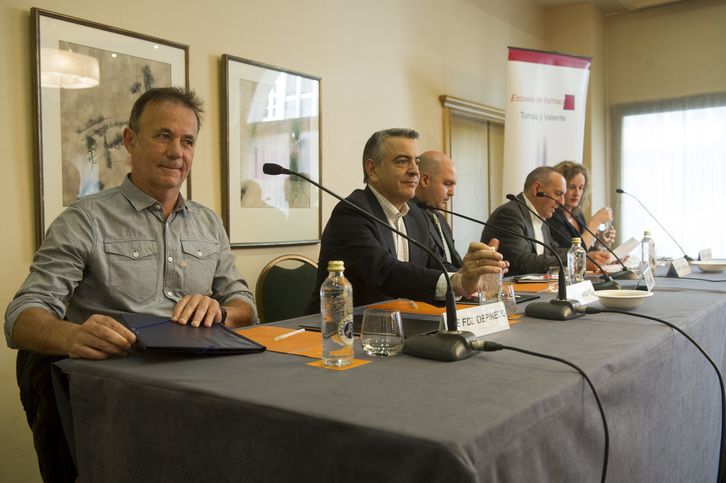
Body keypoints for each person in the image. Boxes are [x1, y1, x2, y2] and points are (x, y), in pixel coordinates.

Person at [5, 87, 257, 482]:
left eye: (187, 141)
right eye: (163, 136)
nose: (177, 151)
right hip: (115, 387)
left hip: (195, 384)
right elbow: (21, 317)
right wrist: (72, 337)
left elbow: (244, 304)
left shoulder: (210, 223)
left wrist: (222, 311)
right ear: (129, 140)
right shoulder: (85, 219)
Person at [305, 128, 506, 312]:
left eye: (416, 162)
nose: (415, 171)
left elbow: (438, 266)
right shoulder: (352, 213)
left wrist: (475, 271)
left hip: (400, 322)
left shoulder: (416, 215)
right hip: (340, 329)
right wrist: (458, 282)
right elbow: (385, 272)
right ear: (373, 170)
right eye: (402, 162)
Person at [480, 166, 570, 276]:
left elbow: (553, 251)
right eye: (558, 193)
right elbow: (523, 262)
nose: (562, 202)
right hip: (509, 291)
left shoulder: (542, 221)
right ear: (537, 189)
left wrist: (581, 255)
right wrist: (571, 258)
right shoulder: (509, 214)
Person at [546, 161, 616, 270]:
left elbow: (586, 253)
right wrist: (595, 222)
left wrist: (602, 252)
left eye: (581, 188)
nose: (577, 193)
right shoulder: (552, 217)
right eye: (572, 187)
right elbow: (575, 255)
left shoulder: (577, 214)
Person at [411, 151, 463, 268]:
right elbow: (436, 267)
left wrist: (478, 266)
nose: (452, 192)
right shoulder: (409, 217)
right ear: (425, 180)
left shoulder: (440, 219)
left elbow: (455, 263)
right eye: (447, 183)